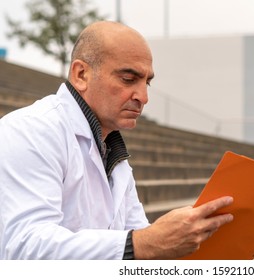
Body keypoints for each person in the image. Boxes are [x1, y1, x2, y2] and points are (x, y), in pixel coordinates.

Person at [0, 21, 233, 260]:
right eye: (128, 79)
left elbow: (137, 233)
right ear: (81, 74)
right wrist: (143, 244)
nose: (143, 97)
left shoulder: (113, 152)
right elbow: (24, 248)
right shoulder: (29, 130)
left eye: (147, 82)